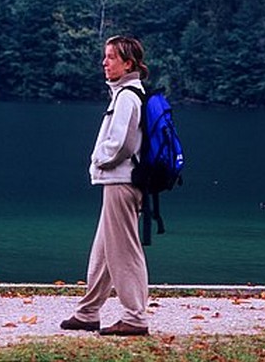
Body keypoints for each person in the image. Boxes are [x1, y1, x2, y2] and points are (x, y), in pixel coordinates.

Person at [60, 35, 150, 337]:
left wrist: (98, 159)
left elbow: (121, 144)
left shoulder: (127, 96)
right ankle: (87, 312)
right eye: (105, 56)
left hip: (122, 181)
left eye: (111, 57)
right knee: (103, 252)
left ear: (128, 63)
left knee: (124, 251)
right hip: (120, 181)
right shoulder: (125, 94)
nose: (104, 62)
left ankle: (135, 317)